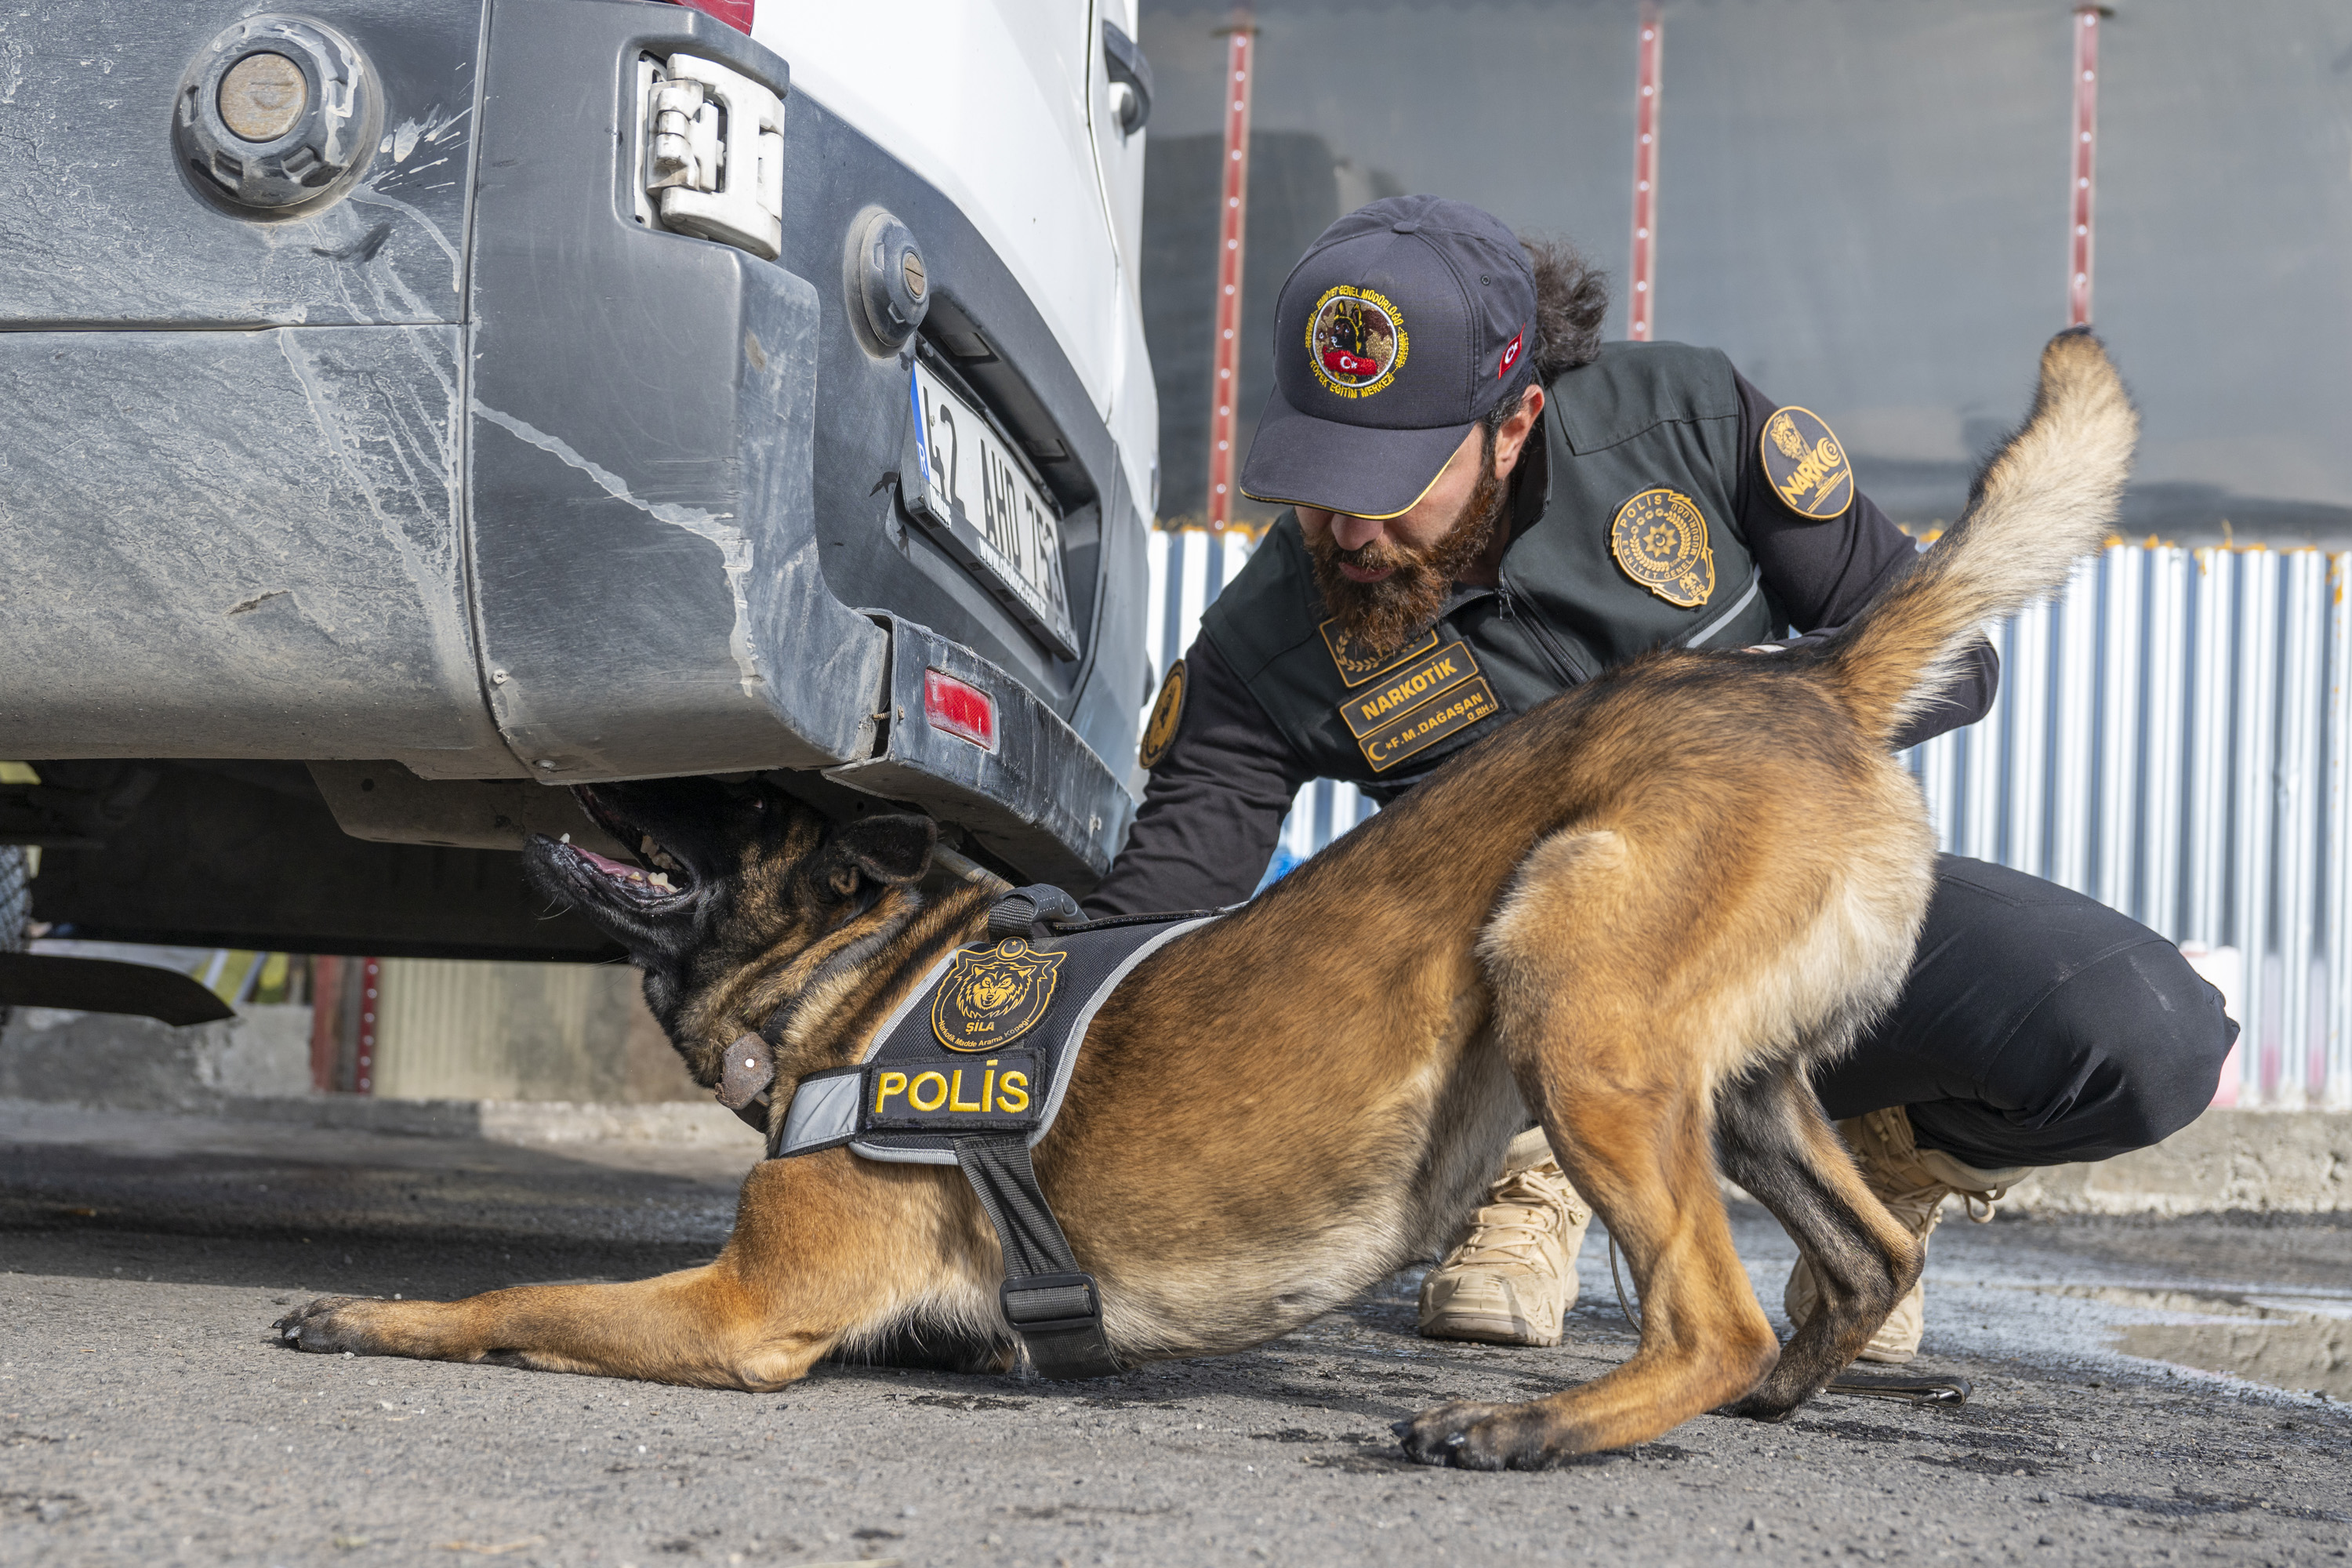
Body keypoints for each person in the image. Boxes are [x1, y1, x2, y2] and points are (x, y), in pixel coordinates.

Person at [1088, 195, 2234, 1361]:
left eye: (1390, 480)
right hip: (1521, 1031)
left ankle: (1879, 1165)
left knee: (2142, 1036)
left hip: (1762, 927)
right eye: (1319, 472)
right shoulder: (1266, 641)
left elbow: (1955, 667)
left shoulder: (1687, 427)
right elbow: (1155, 931)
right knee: (1535, 959)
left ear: (1516, 419)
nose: (1344, 529)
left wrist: (1701, 744)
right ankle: (1533, 1181)